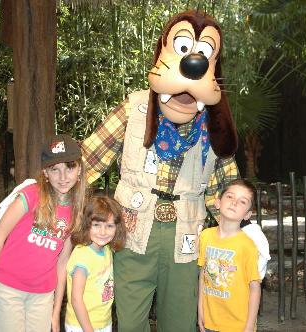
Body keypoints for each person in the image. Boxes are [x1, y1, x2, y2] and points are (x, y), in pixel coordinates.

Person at [81, 10, 239, 332]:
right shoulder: (136, 108)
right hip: (133, 231)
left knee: (179, 321)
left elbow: (226, 190)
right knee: (129, 321)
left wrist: (244, 232)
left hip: (186, 232)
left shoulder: (212, 126)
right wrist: (44, 191)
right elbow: (88, 160)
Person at [0, 134, 87, 332]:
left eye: (69, 167)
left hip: (43, 293)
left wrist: (55, 312)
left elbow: (62, 262)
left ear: (79, 169)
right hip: (9, 287)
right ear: (45, 172)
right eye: (55, 169)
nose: (63, 177)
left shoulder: (76, 210)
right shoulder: (31, 195)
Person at [198, 179, 262, 332]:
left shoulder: (247, 245)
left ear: (247, 214)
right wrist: (200, 310)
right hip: (210, 323)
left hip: (237, 326)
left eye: (242, 201)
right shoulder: (205, 236)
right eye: (230, 197)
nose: (234, 202)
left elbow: (255, 287)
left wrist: (249, 327)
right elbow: (203, 275)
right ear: (218, 202)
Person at [64, 196, 126, 332]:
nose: (103, 232)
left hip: (103, 322)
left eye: (109, 226)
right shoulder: (82, 256)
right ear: (87, 224)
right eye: (97, 225)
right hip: (81, 325)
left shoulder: (106, 249)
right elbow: (76, 299)